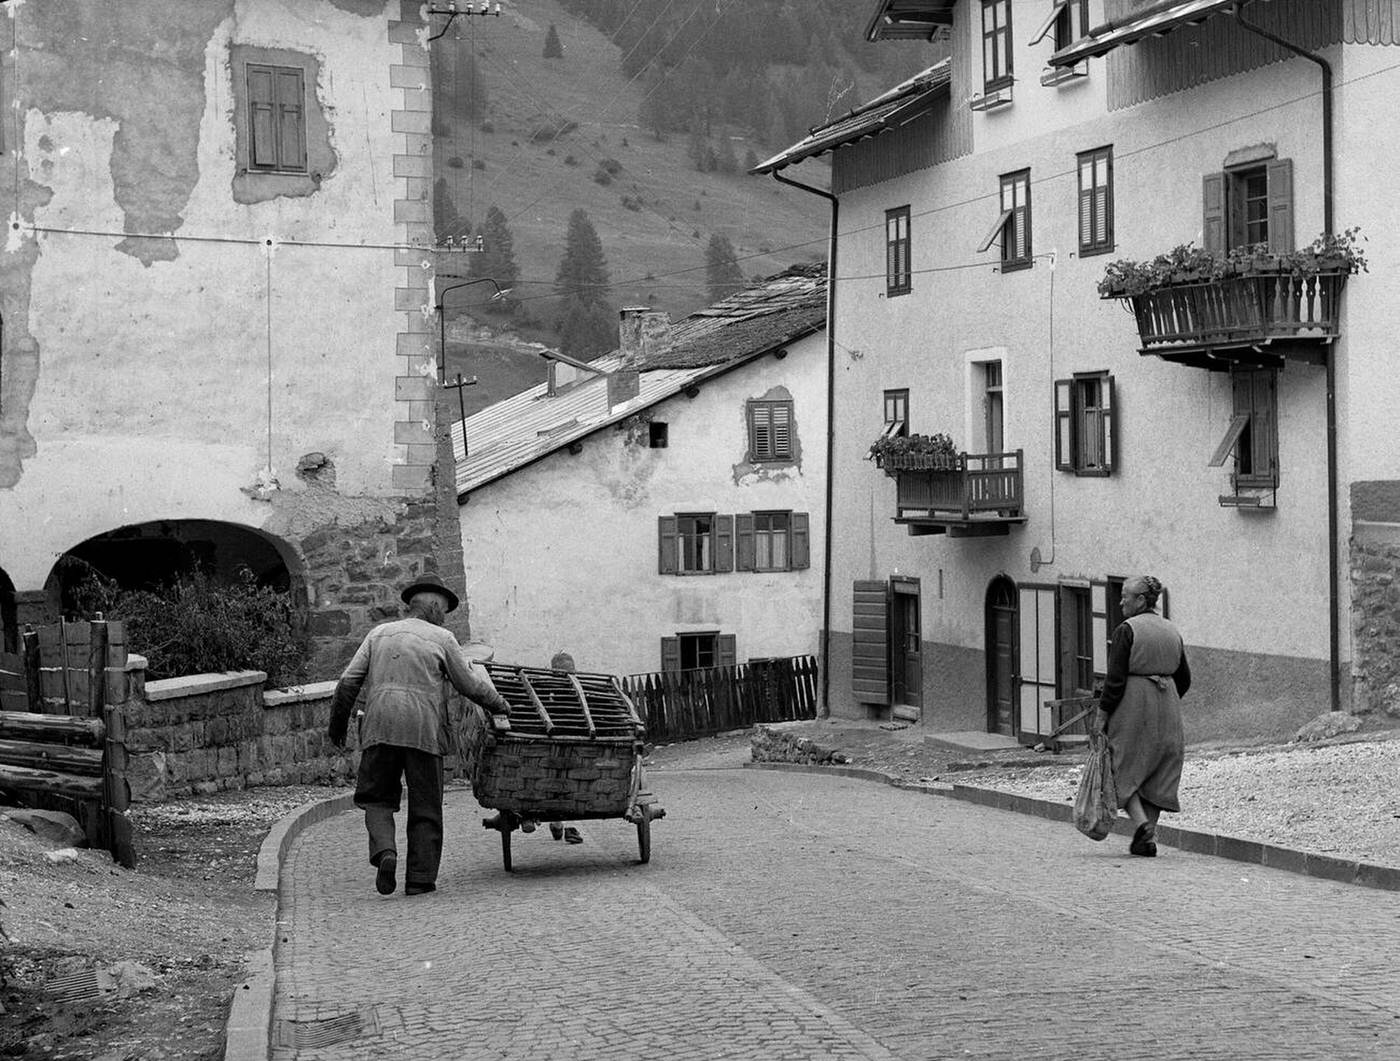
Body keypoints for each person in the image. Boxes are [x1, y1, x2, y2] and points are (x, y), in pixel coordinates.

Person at [328, 573, 513, 896]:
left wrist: (337, 726)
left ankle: (385, 851)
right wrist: (500, 704)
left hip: (379, 727)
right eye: (442, 608)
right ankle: (419, 879)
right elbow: (468, 684)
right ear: (432, 605)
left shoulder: (378, 633)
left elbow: (347, 682)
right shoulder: (442, 639)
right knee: (426, 804)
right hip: (424, 730)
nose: (444, 614)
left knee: (376, 799)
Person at [1098, 574, 1191, 858]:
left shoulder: (1127, 630)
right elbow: (1184, 678)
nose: (1121, 600)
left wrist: (1101, 716)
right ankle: (1146, 837)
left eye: (1126, 595)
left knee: (1121, 765)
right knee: (1160, 771)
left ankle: (1141, 825)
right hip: (1169, 705)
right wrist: (1164, 693)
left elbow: (1114, 681)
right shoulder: (1171, 630)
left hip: (1133, 706)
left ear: (1141, 600)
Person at [546, 651, 583, 845]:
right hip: (554, 746)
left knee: (573, 783)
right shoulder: (547, 692)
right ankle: (560, 824)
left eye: (570, 671)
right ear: (554, 672)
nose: (567, 675)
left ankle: (563, 825)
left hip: (576, 744)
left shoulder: (579, 690)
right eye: (562, 672)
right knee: (558, 783)